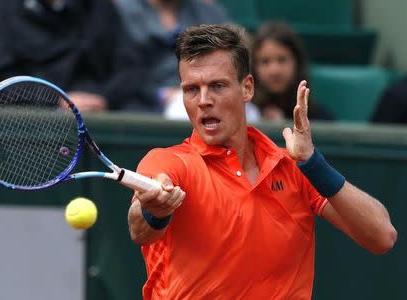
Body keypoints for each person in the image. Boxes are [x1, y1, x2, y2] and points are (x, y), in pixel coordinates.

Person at [127, 24, 397, 299]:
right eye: (192, 89)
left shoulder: (294, 167)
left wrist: (313, 163)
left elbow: (382, 236)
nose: (204, 100)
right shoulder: (168, 163)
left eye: (217, 86)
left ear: (247, 88)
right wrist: (155, 210)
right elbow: (140, 230)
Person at [113, 0, 260, 121]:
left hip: (206, 90)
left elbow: (238, 53)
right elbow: (121, 71)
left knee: (248, 112)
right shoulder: (121, 11)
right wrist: (161, 94)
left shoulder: (208, 12)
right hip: (143, 103)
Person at [0, 0, 132, 112]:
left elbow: (129, 67)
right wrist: (55, 100)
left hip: (102, 119)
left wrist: (104, 99)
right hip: (36, 128)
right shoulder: (3, 13)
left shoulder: (99, 8)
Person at [251, 21, 333, 122]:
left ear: (297, 62)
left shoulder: (319, 118)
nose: (274, 70)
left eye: (282, 60)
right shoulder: (245, 113)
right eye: (265, 62)